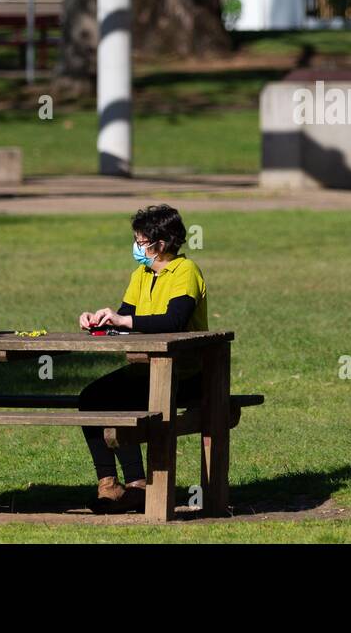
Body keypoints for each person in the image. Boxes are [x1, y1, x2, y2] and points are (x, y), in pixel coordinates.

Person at [77, 205, 208, 513]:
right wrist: (101, 319)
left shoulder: (186, 272)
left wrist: (123, 322)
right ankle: (111, 485)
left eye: (140, 240)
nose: (136, 246)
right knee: (91, 398)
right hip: (146, 369)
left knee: (109, 399)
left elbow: (174, 322)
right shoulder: (142, 273)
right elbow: (126, 316)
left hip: (185, 374)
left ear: (160, 244)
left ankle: (138, 485)